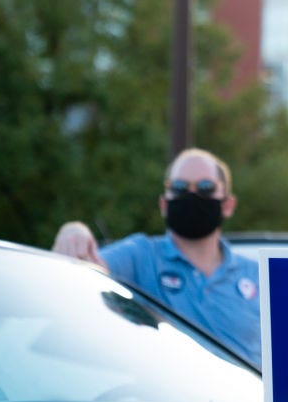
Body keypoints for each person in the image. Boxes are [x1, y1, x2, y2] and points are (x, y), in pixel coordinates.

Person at [52, 148, 261, 367]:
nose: (192, 196)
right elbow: (80, 271)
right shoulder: (140, 256)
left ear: (228, 205)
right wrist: (73, 231)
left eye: (205, 188)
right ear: (164, 204)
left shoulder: (259, 275)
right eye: (179, 187)